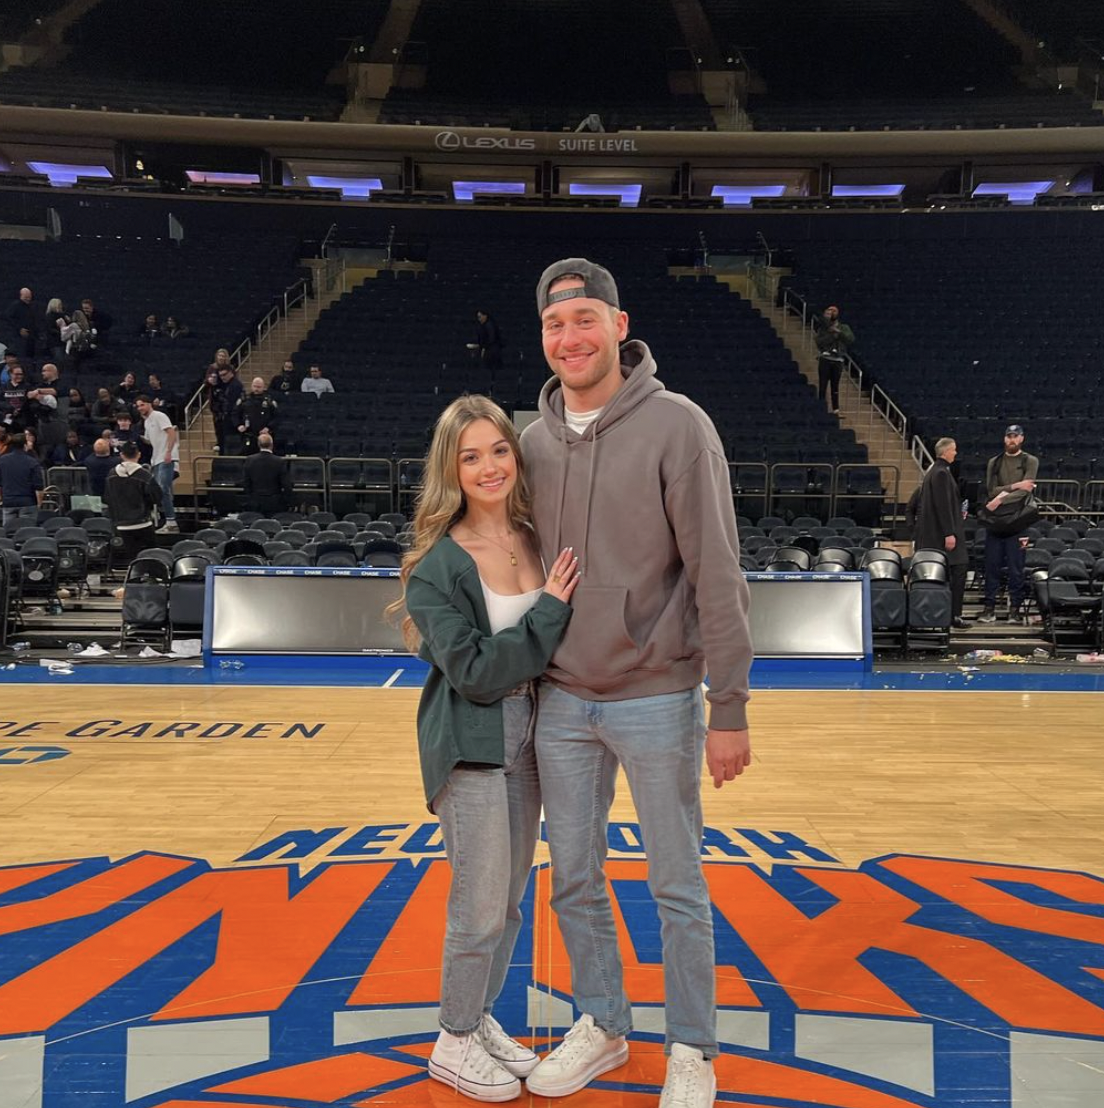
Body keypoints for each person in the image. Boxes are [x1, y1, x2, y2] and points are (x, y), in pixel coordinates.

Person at [520, 259, 752, 1108]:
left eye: (585, 319)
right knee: (573, 875)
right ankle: (605, 1024)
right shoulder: (531, 441)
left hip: (657, 692)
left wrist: (727, 705)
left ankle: (692, 1046)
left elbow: (718, 574)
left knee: (675, 880)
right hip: (562, 697)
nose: (570, 338)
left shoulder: (679, 426)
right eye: (554, 325)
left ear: (619, 325)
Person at [392, 394, 580, 1103]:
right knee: (477, 903)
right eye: (470, 456)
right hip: (472, 738)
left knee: (508, 904)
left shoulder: (536, 537)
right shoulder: (437, 567)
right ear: (451, 469)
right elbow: (473, 672)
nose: (489, 466)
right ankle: (451, 1038)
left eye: (498, 449)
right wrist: (549, 615)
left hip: (533, 734)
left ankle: (476, 1020)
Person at [979, 424, 1039, 624]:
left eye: (1016, 436)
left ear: (1022, 438)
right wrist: (1014, 486)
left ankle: (1015, 609)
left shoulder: (1030, 460)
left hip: (1019, 521)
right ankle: (989, 608)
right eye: (1009, 436)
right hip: (996, 522)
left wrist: (1001, 498)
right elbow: (991, 491)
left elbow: (1026, 490)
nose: (1012, 439)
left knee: (1016, 567)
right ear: (1004, 439)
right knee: (991, 566)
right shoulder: (994, 462)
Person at [915, 437, 969, 628]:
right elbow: (943, 505)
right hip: (942, 536)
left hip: (937, 534)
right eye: (953, 450)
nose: (955, 453)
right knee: (959, 569)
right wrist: (949, 532)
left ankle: (948, 614)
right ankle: (954, 615)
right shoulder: (941, 473)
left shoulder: (934, 471)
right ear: (945, 451)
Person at [103, 439, 160, 563]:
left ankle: (135, 579)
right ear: (138, 454)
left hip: (121, 524)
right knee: (151, 557)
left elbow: (107, 498)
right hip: (142, 522)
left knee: (133, 559)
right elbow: (157, 497)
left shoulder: (111, 475)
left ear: (122, 455)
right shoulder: (145, 475)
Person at [135, 395, 178, 533]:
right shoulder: (147, 422)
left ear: (149, 404)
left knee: (163, 489)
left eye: (142, 405)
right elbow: (148, 440)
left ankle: (171, 522)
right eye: (137, 406)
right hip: (156, 458)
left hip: (166, 457)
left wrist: (169, 452)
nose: (139, 408)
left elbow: (171, 432)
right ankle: (167, 519)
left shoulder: (159, 415)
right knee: (161, 490)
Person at [814, 305, 855, 415]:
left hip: (838, 359)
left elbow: (850, 339)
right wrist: (832, 334)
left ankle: (836, 409)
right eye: (829, 311)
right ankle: (821, 408)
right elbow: (819, 342)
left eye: (834, 311)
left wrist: (839, 333)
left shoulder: (844, 327)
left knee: (835, 386)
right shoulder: (823, 329)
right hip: (825, 358)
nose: (831, 313)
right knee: (823, 384)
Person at [241, 432, 293, 516]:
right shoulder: (279, 461)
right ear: (272, 445)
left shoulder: (249, 460)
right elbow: (286, 485)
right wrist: (285, 501)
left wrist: (250, 498)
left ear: (259, 445)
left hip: (255, 501)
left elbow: (246, 483)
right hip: (275, 502)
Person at [0, 432, 44, 526]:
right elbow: (38, 486)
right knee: (27, 532)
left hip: (8, 501)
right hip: (27, 502)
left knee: (8, 531)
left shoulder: (2, 460)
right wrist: (39, 504)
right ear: (25, 444)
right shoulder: (32, 462)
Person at [235, 376, 279, 453]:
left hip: (264, 435)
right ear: (251, 386)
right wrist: (238, 425)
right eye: (255, 386)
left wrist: (269, 427)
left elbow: (276, 417)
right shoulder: (244, 400)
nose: (256, 389)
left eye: (259, 387)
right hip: (248, 434)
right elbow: (235, 414)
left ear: (263, 387)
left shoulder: (269, 401)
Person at [210, 359, 243, 454]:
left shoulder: (236, 385)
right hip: (221, 419)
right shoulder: (221, 385)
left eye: (224, 375)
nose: (222, 377)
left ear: (231, 373)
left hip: (231, 421)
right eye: (221, 375)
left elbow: (232, 404)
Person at [3, 287, 42, 360]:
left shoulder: (32, 306)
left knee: (31, 357)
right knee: (22, 355)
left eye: (29, 297)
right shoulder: (15, 306)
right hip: (19, 338)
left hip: (31, 337)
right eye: (26, 297)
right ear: (21, 296)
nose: (28, 299)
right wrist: (19, 329)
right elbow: (8, 318)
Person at [2, 364, 32, 431]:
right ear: (10, 374)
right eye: (17, 374)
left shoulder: (27, 386)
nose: (19, 376)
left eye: (21, 374)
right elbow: (1, 402)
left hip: (24, 418)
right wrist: (10, 410)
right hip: (8, 417)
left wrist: (19, 410)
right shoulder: (3, 387)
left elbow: (30, 402)